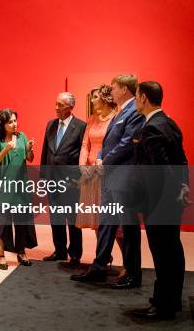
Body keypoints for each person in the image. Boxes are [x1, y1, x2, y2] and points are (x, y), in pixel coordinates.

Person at [71, 74, 144, 288]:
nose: (110, 91)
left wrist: (104, 162)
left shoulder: (134, 111)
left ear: (124, 89)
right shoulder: (122, 111)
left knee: (128, 229)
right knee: (105, 224)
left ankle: (132, 272)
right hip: (110, 178)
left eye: (113, 87)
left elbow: (126, 144)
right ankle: (99, 266)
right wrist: (102, 155)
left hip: (123, 179)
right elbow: (109, 141)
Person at [128, 81, 189, 320]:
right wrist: (183, 187)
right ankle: (171, 301)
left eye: (136, 98)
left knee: (163, 253)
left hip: (159, 201)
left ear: (143, 98)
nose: (135, 102)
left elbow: (158, 170)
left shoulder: (152, 128)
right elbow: (181, 161)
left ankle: (162, 305)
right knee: (173, 250)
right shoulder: (169, 122)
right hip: (172, 199)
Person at [0, 108, 37, 269]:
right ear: (2, 124)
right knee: (2, 222)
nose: (14, 124)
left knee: (22, 221)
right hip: (3, 187)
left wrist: (29, 149)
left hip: (20, 186)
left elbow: (29, 158)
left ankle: (21, 252)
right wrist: (6, 149)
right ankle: (1, 254)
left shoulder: (22, 137)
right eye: (10, 122)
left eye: (15, 120)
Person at [40, 92, 86, 267]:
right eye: (56, 104)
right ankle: (59, 251)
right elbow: (46, 151)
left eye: (60, 105)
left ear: (71, 107)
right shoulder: (50, 125)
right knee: (56, 217)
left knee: (73, 220)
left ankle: (75, 254)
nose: (56, 108)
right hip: (53, 179)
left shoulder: (81, 126)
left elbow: (82, 154)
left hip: (71, 181)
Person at [76, 86, 118, 236]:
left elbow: (117, 146)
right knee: (96, 220)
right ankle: (103, 255)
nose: (92, 100)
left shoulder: (116, 118)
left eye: (95, 97)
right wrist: (82, 167)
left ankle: (126, 256)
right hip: (90, 174)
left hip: (107, 173)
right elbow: (84, 145)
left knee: (112, 221)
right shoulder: (92, 119)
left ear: (105, 99)